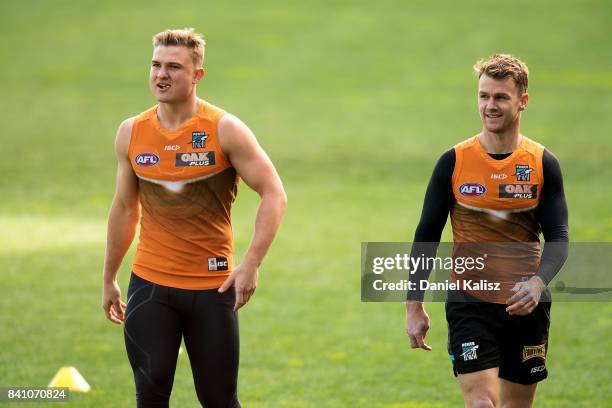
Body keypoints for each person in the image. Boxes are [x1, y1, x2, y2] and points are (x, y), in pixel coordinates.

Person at [101, 28, 287, 408]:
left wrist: (251, 264)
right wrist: (109, 278)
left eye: (173, 66)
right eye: (155, 65)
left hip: (213, 289)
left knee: (219, 400)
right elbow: (124, 208)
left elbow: (274, 194)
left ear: (197, 75)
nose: (161, 75)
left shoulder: (224, 129)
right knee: (150, 397)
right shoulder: (131, 132)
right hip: (150, 286)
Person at [405, 54, 569, 408]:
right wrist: (413, 305)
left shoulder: (542, 164)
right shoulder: (454, 161)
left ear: (522, 101)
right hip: (470, 300)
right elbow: (426, 236)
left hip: (525, 304)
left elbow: (559, 237)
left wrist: (538, 283)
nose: (489, 106)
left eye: (500, 97)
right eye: (483, 96)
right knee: (481, 403)